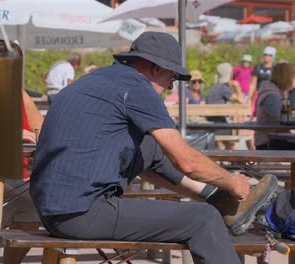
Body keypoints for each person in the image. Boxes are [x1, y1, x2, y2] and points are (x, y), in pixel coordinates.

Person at [31, 32, 278, 264]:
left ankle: (219, 200)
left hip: (51, 207)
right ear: (154, 68)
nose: (171, 86)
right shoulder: (137, 87)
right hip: (81, 213)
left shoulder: (95, 80)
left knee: (148, 146)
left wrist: (218, 190)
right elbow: (187, 162)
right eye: (171, 76)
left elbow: (154, 157)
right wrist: (232, 182)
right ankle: (221, 202)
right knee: (204, 219)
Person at [0, 39, 44, 264]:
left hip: (19, 181)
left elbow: (41, 130)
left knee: (35, 208)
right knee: (34, 203)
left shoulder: (20, 94)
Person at [255, 63, 295, 150]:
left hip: (277, 139)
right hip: (268, 142)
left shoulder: (280, 93)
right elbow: (284, 119)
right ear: (288, 77)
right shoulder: (272, 96)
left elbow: (287, 117)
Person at [206, 63, 247, 150]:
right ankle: (237, 161)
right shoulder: (223, 88)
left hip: (210, 122)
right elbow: (241, 101)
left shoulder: (213, 87)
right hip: (218, 124)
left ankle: (229, 159)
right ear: (229, 75)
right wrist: (237, 87)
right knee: (231, 142)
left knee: (226, 141)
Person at [248, 46, 276, 119]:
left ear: (273, 57)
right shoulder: (258, 67)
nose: (267, 56)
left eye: (270, 55)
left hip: (270, 94)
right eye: (265, 54)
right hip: (258, 93)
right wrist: (249, 98)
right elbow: (253, 84)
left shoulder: (275, 69)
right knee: (252, 114)